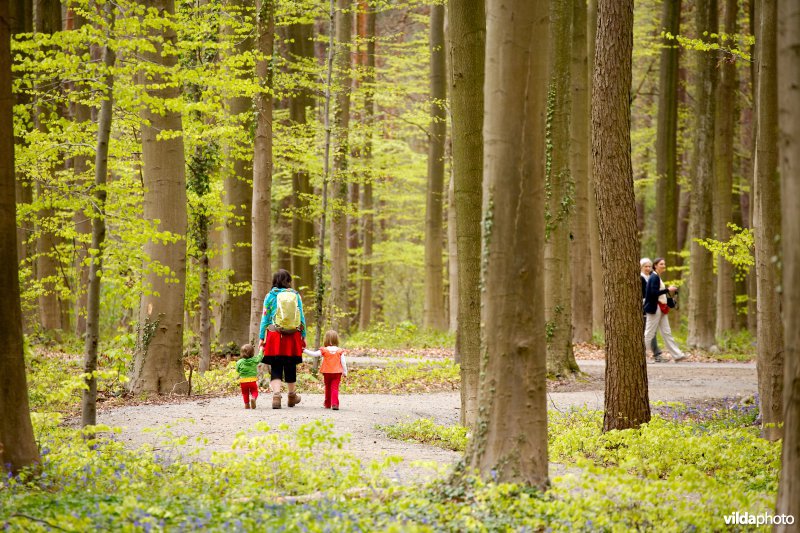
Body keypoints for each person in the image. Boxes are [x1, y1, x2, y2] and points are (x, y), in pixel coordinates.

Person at [258, 269, 306, 409]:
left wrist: (262, 337)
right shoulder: (296, 295)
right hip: (292, 335)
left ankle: (277, 396)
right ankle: (292, 397)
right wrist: (304, 336)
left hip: (274, 335)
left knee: (276, 366)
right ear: (288, 281)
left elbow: (265, 318)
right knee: (290, 365)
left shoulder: (269, 296)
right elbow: (301, 317)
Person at [644, 258, 686, 363]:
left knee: (667, 332)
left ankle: (677, 355)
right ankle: (639, 355)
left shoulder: (657, 277)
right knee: (649, 332)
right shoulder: (654, 277)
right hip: (655, 308)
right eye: (661, 264)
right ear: (655, 265)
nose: (664, 265)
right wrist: (668, 289)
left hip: (661, 308)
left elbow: (659, 293)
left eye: (664, 264)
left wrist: (668, 295)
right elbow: (653, 293)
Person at [304, 330, 348, 410]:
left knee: (327, 387)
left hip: (326, 372)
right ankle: (335, 404)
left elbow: (314, 354)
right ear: (336, 340)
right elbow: (343, 362)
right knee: (334, 388)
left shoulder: (324, 350)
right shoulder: (339, 351)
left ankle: (327, 404)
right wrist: (345, 372)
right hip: (337, 373)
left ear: (326, 340)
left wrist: (304, 350)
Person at [640, 258, 664, 362]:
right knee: (649, 331)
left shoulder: (652, 277)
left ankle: (656, 353)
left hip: (650, 305)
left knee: (650, 331)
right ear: (641, 267)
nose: (648, 268)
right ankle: (656, 354)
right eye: (645, 266)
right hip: (644, 306)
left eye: (649, 266)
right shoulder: (640, 278)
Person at [235, 344, 259, 409]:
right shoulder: (254, 360)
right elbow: (260, 357)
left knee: (245, 393)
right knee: (254, 391)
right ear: (253, 353)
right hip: (252, 380)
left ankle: (246, 405)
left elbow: (237, 369)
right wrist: (262, 350)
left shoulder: (239, 362)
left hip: (243, 381)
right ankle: (253, 398)